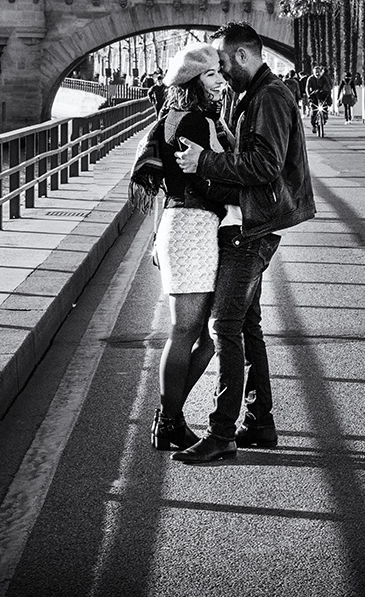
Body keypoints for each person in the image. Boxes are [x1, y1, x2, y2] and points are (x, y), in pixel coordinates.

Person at [172, 22, 315, 463]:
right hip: (252, 220)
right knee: (247, 326)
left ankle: (221, 433)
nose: (220, 70)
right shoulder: (255, 94)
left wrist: (204, 161)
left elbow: (264, 164)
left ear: (240, 56)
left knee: (224, 326)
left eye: (222, 61)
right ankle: (259, 421)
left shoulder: (268, 97)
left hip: (252, 228)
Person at [129, 43, 232, 450]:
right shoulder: (196, 123)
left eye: (220, 72)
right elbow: (211, 180)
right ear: (192, 81)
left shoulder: (170, 119)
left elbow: (164, 190)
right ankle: (167, 420)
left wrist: (157, 235)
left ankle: (169, 419)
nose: (220, 80)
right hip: (194, 227)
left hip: (180, 224)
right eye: (211, 75)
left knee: (203, 336)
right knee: (190, 330)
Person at [304, 65, 333, 132]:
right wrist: (309, 96)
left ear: (321, 72)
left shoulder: (324, 78)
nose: (317, 74)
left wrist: (328, 94)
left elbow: (328, 87)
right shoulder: (310, 79)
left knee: (325, 106)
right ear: (313, 72)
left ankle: (325, 116)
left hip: (322, 94)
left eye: (318, 72)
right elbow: (307, 88)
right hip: (314, 95)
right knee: (314, 111)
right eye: (316, 72)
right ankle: (314, 125)